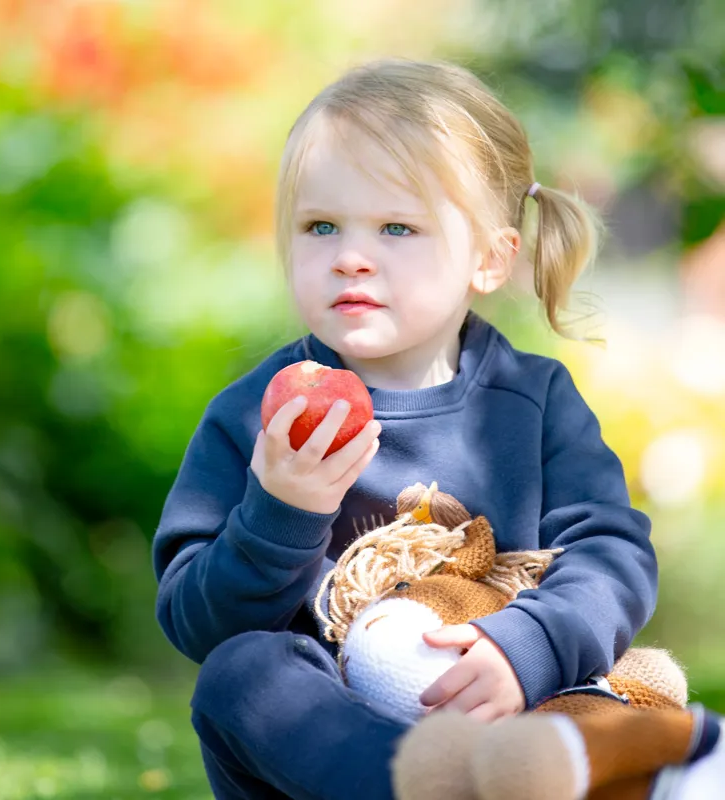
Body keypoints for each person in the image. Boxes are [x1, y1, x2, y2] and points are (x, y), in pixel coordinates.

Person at [152, 58, 657, 800]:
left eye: (397, 227)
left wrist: (526, 649)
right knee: (240, 673)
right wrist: (279, 511)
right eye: (321, 226)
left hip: (499, 702)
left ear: (489, 259)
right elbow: (197, 623)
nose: (351, 257)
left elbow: (612, 554)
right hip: (335, 749)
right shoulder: (257, 414)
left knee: (617, 705)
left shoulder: (533, 400)